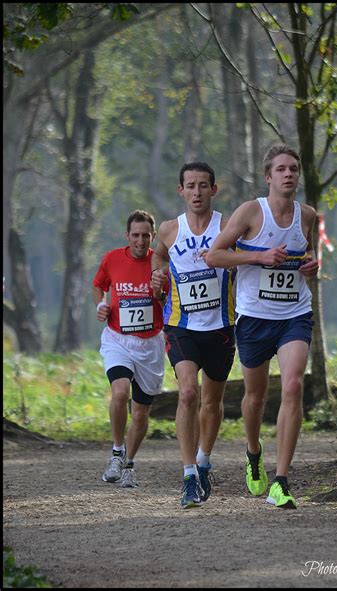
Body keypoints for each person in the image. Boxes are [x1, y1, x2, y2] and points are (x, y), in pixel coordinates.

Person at [206, 145, 319, 509]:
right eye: (281, 169)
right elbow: (214, 255)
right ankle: (254, 454)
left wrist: (311, 267)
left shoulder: (309, 215)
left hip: (294, 315)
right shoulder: (251, 212)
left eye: (294, 169)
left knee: (293, 385)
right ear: (268, 177)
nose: (289, 174)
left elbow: (309, 257)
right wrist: (258, 256)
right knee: (255, 398)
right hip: (255, 317)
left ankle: (282, 481)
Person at [150, 162, 236, 509]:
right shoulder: (170, 230)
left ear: (214, 189)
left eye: (203, 185)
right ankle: (187, 476)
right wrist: (158, 276)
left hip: (221, 327)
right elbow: (158, 257)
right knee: (187, 393)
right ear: (180, 190)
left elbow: (245, 255)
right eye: (190, 186)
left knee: (212, 403)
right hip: (181, 325)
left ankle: (203, 462)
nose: (197, 192)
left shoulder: (228, 226)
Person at [93, 209, 168, 488]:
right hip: (118, 339)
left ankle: (129, 464)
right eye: (135, 235)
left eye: (145, 236)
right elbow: (98, 285)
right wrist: (101, 305)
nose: (140, 241)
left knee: (140, 413)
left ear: (153, 236)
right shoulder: (112, 258)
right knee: (120, 391)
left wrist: (160, 290)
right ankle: (116, 451)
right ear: (127, 236)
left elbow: (166, 302)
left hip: (150, 344)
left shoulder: (160, 262)